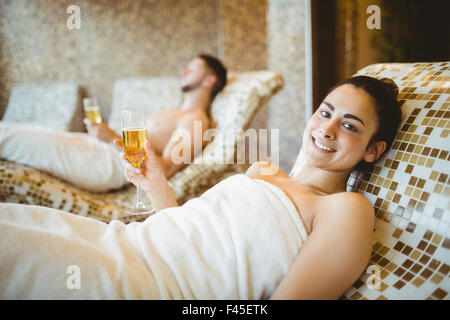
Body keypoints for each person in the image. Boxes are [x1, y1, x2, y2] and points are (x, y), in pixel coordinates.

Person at [0, 75, 401, 300]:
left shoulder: (344, 208)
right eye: (325, 112)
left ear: (373, 150)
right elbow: (188, 234)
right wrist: (154, 179)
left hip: (147, 285)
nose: (326, 129)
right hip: (120, 241)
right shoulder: (263, 170)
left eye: (349, 125)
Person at [84, 53, 227, 178]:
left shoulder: (195, 120)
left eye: (193, 68)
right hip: (101, 150)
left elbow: (167, 169)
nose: (183, 71)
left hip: (116, 162)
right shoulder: (173, 111)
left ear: (209, 80)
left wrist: (111, 139)